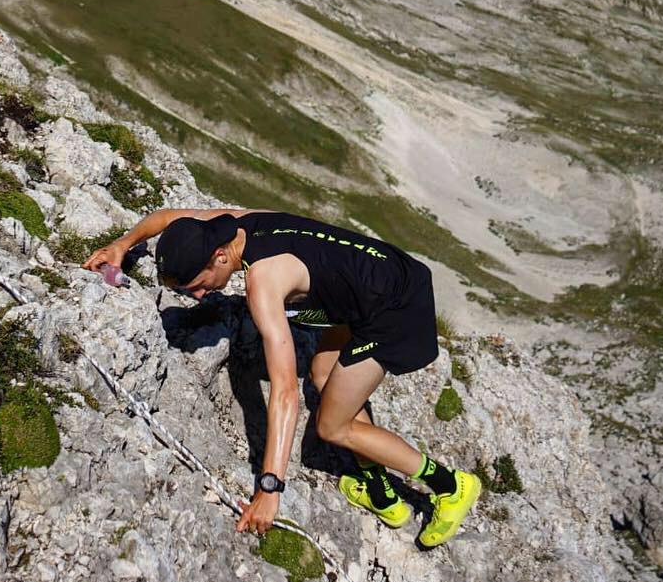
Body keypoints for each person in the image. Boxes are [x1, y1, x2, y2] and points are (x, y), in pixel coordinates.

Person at [84, 207, 481, 548]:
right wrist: (123, 244)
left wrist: (269, 488)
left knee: (332, 426)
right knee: (325, 376)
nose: (200, 296)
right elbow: (168, 218)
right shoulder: (229, 224)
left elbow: (285, 390)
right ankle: (379, 491)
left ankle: (451, 486)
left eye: (199, 286)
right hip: (373, 282)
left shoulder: (264, 282)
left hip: (394, 309)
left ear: (219, 257)